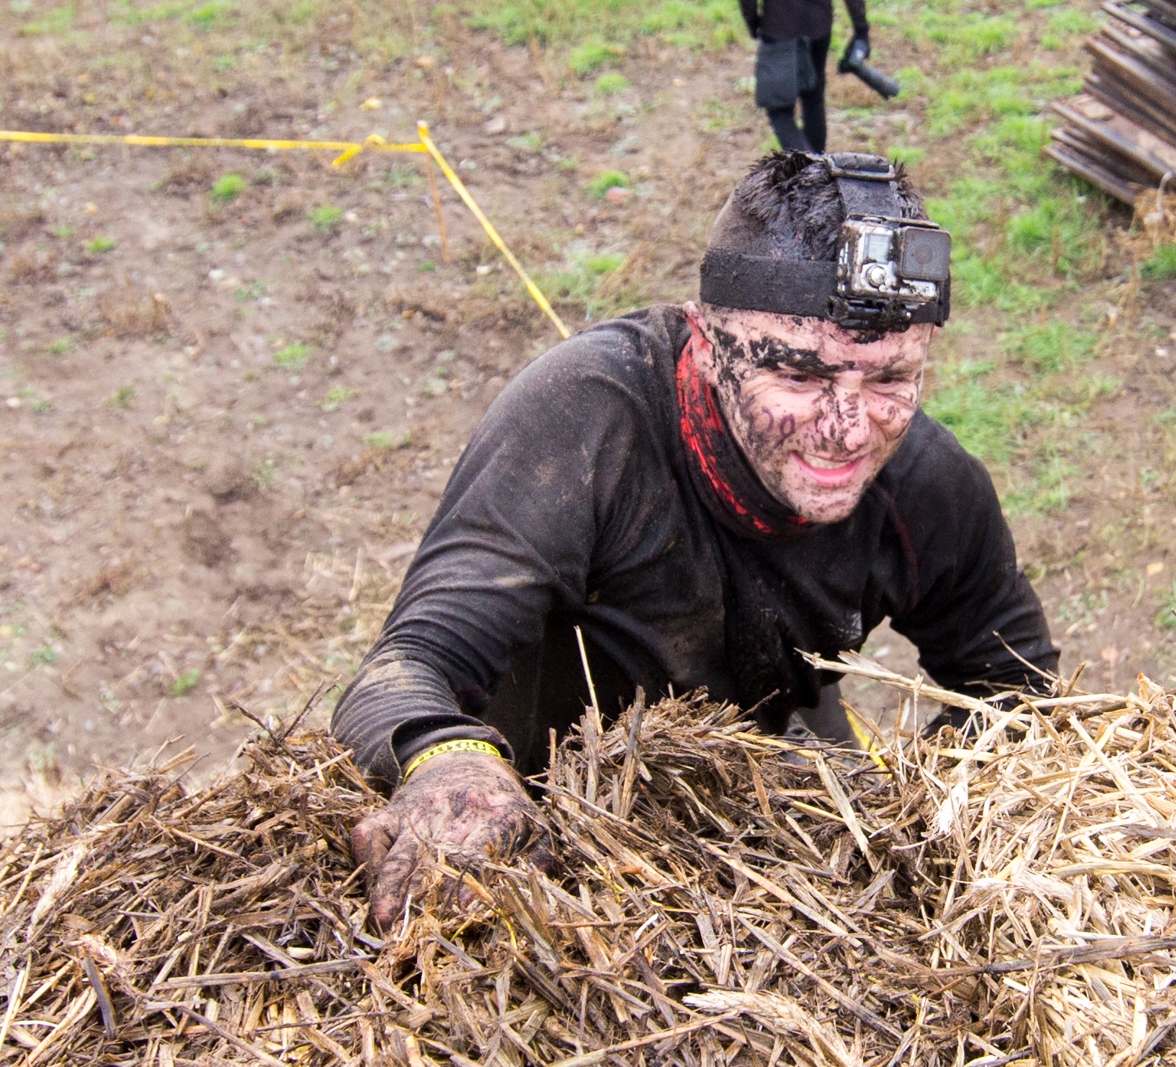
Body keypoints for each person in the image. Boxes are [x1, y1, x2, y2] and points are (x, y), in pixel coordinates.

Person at [333, 151, 1059, 930]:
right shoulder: (586, 421)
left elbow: (1012, 686)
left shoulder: (926, 485)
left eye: (889, 380)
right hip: (542, 797)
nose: (848, 431)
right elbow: (407, 667)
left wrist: (926, 830)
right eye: (801, 377)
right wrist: (451, 764)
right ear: (708, 345)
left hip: (766, 757)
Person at [741, 0, 870, 153]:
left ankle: (811, 166)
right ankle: (817, 166)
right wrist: (861, 29)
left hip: (779, 26)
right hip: (817, 25)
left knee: (779, 108)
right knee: (813, 98)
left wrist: (753, 21)